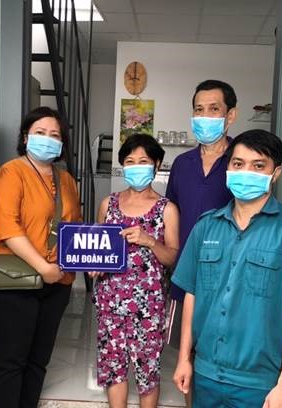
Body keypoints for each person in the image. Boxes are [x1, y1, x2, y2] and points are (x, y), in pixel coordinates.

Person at [171, 129, 282, 407]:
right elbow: (192, 295)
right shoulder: (206, 226)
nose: (246, 172)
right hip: (206, 375)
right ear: (228, 168)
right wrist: (184, 358)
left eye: (258, 166)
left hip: (262, 384)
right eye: (238, 164)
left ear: (275, 173)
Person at [0, 107, 82, 407]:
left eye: (55, 135)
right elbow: (6, 227)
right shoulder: (11, 173)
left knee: (38, 361)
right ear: (26, 137)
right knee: (10, 362)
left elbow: (75, 230)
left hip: (58, 284)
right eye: (40, 132)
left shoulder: (67, 181)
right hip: (15, 282)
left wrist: (88, 262)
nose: (48, 139)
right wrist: (42, 267)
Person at [89, 133, 180, 408]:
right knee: (113, 367)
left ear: (156, 164)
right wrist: (93, 266)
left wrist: (149, 240)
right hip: (110, 301)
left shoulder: (167, 209)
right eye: (130, 161)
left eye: (143, 161)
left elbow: (172, 258)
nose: (136, 167)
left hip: (148, 305)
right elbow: (97, 248)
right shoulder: (108, 204)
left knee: (147, 371)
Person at [164, 80, 237, 401]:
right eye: (199, 109)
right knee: (187, 360)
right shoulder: (182, 164)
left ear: (230, 115)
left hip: (229, 277)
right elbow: (170, 216)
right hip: (186, 276)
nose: (204, 116)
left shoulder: (240, 162)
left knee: (222, 354)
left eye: (213, 109)